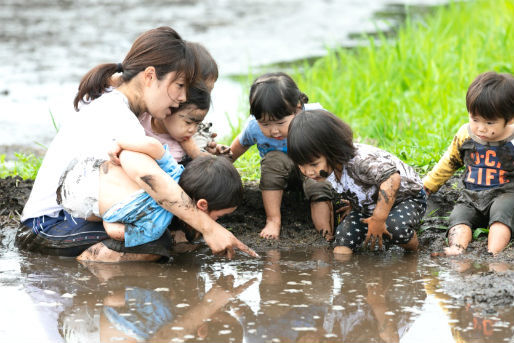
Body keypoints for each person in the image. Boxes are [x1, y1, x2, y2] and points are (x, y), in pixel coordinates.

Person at [16, 26, 256, 261]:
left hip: (82, 214)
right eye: (180, 86)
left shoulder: (134, 107)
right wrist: (209, 229)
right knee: (158, 243)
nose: (183, 97)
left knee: (166, 231)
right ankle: (90, 263)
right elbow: (147, 174)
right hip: (48, 225)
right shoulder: (116, 113)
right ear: (149, 76)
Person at [57, 136, 243, 261]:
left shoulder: (172, 170)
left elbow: (153, 146)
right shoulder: (156, 225)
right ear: (202, 205)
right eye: (219, 216)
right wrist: (107, 218)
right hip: (72, 201)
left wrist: (121, 144)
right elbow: (115, 232)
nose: (218, 221)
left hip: (83, 166)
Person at [287, 109, 426, 255]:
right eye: (301, 165)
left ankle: (414, 253)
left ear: (332, 150)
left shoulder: (360, 161)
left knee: (394, 227)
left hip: (406, 199)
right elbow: (355, 185)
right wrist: (357, 204)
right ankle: (345, 271)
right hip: (371, 207)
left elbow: (392, 179)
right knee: (342, 242)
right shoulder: (330, 168)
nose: (308, 172)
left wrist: (379, 219)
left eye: (314, 164)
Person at [229, 72, 334, 240]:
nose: (274, 130)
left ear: (298, 108)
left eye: (280, 123)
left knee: (318, 184)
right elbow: (235, 150)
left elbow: (340, 142)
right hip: (281, 176)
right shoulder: (254, 127)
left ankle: (326, 233)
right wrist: (219, 168)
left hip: (314, 170)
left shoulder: (315, 117)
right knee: (273, 160)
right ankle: (273, 220)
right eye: (265, 124)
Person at [424, 71, 514, 256]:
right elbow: (448, 163)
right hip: (470, 196)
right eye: (475, 119)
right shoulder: (465, 135)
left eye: (490, 122)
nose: (481, 128)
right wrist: (426, 187)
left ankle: (493, 253)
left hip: (505, 194)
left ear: (510, 119)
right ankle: (457, 249)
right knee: (459, 218)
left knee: (501, 217)